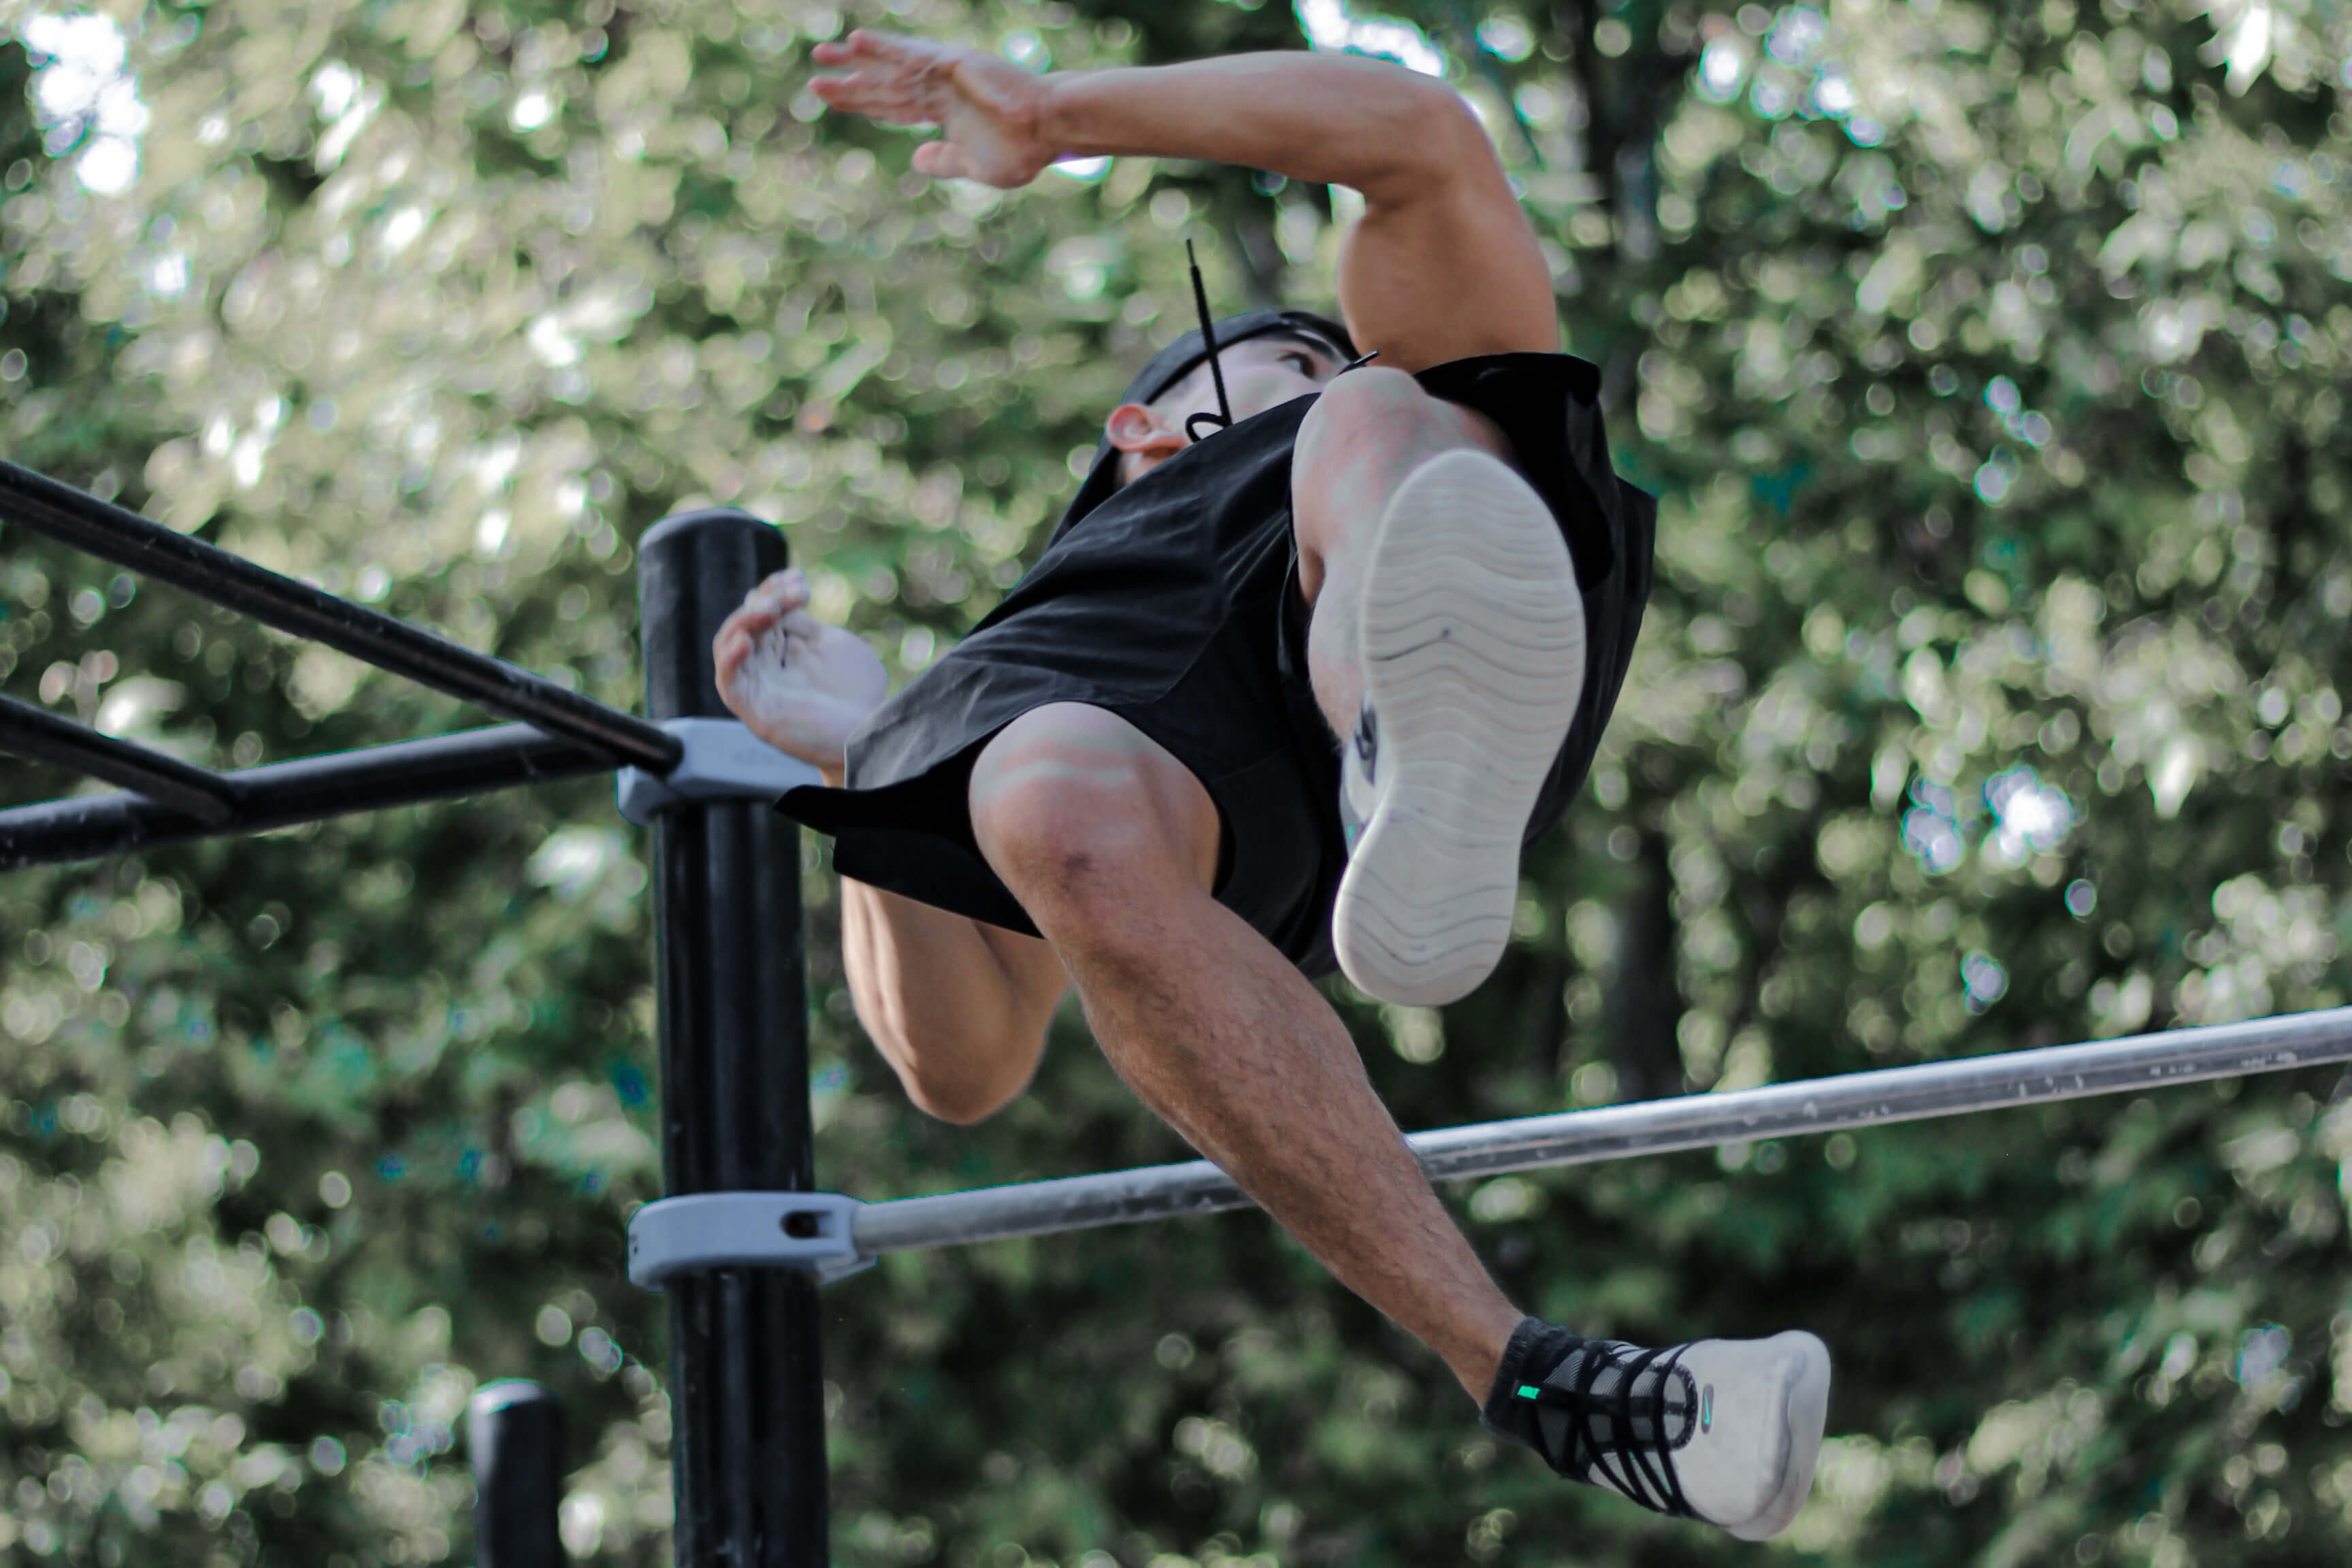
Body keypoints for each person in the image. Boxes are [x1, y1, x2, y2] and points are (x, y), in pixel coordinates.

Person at [713, 28, 1830, 1538]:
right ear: (1143, 428)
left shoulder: (1363, 403)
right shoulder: (1006, 663)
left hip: (1409, 576)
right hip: (1209, 808)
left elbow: (1414, 137)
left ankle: (1409, 747)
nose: (1323, 353)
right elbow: (963, 1069)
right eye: (1284, 352)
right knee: (1039, 800)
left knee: (1379, 416)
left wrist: (1059, 114)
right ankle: (1550, 1384)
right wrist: (871, 760)